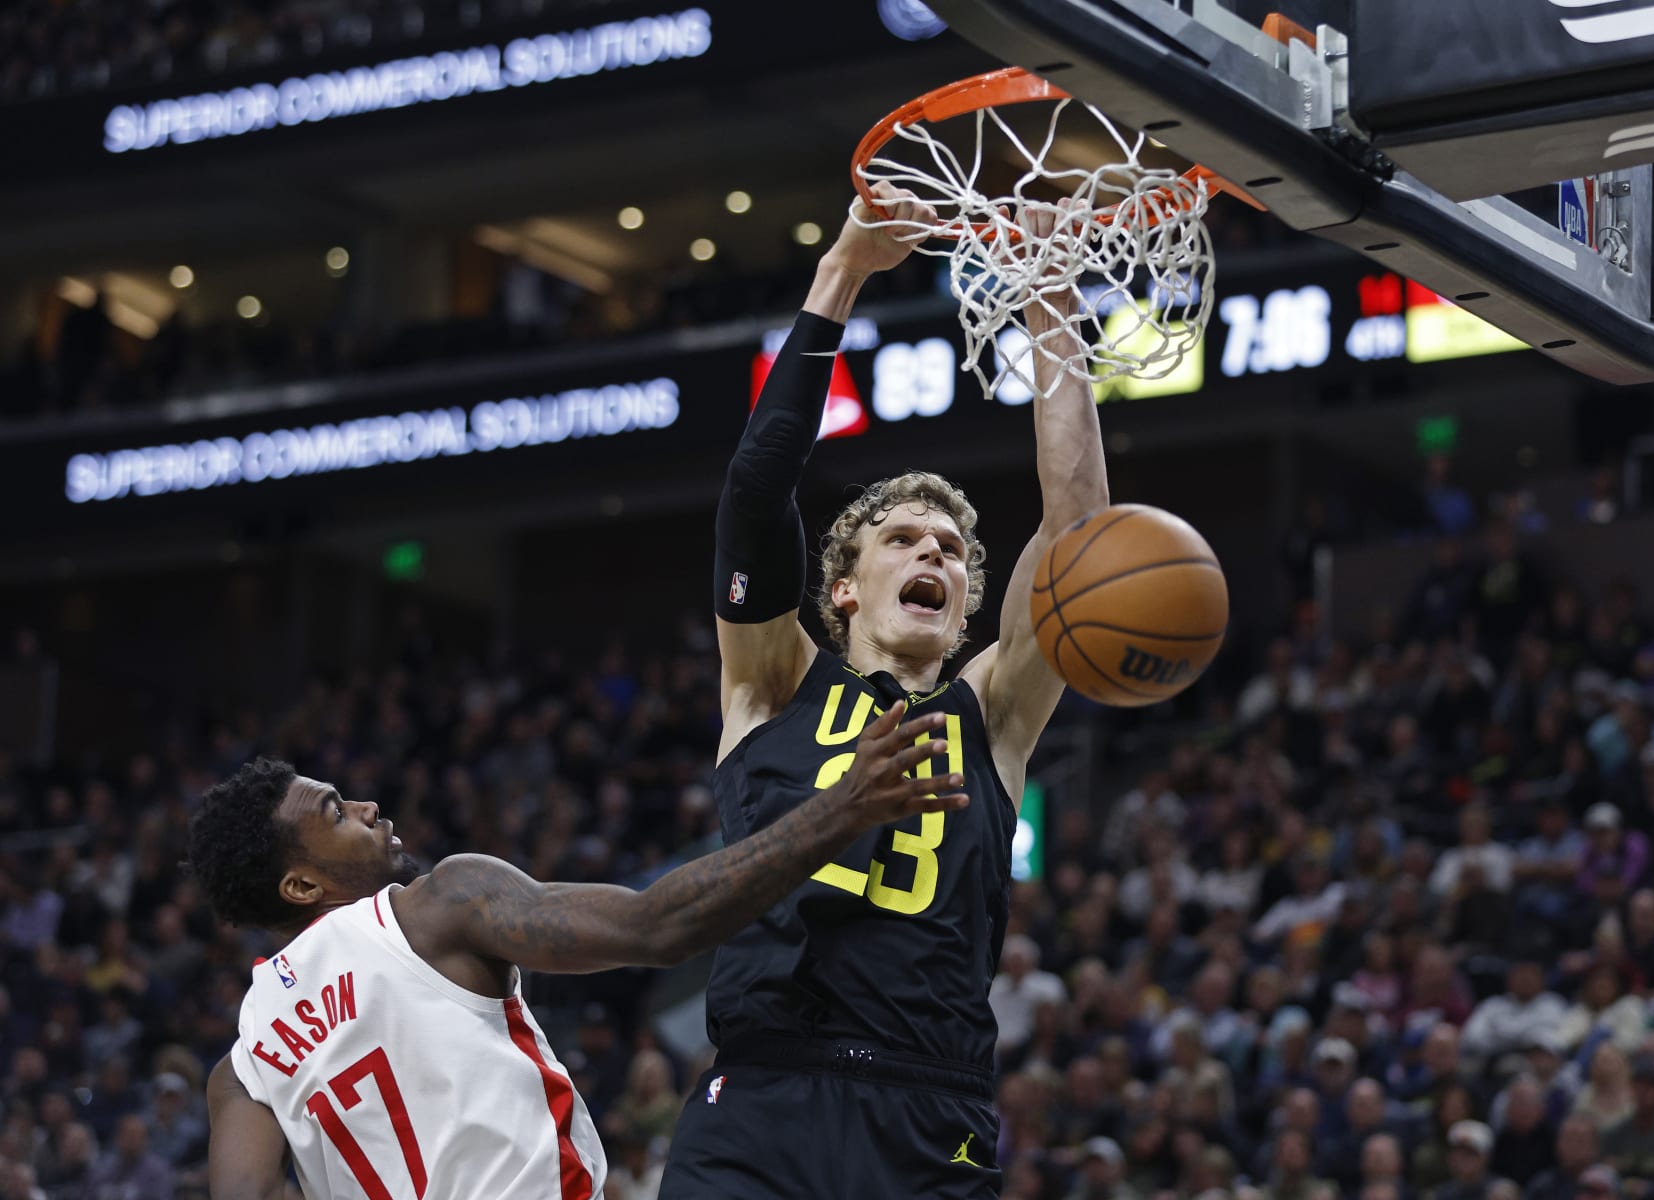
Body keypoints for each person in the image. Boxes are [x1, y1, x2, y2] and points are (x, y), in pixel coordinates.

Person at [661, 186, 1112, 1199]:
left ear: (964, 610)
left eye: (951, 553)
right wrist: (844, 272)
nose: (934, 555)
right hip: (763, 1098)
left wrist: (1050, 308)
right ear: (844, 588)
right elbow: (754, 493)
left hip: (927, 1109)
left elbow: (1079, 531)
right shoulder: (771, 680)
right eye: (904, 540)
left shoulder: (990, 711)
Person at [196, 713, 966, 1200]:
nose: (366, 806)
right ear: (301, 882)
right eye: (336, 811)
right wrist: (844, 807)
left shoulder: (244, 1065)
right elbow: (657, 926)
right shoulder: (439, 906)